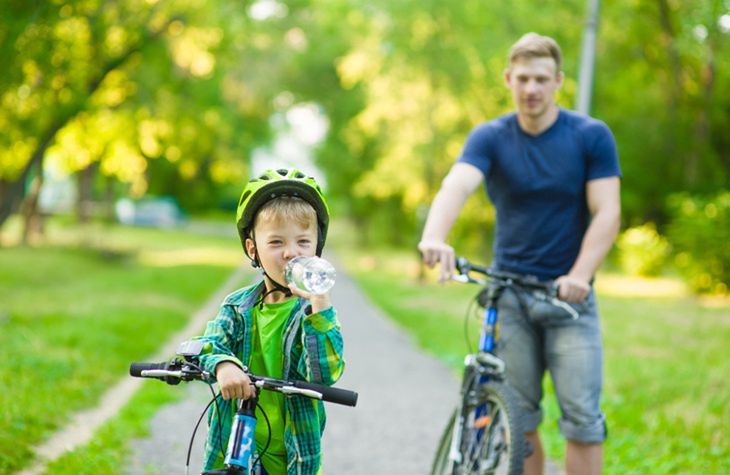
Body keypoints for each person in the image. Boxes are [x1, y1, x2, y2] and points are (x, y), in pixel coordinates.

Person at [418, 33, 621, 475]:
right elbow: (458, 184)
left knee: (582, 422)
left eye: (542, 79)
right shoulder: (490, 136)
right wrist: (435, 236)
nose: (532, 89)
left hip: (570, 300)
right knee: (518, 419)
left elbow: (607, 212)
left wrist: (581, 276)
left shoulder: (590, 137)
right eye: (524, 78)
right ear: (509, 79)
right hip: (509, 297)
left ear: (558, 82)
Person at [193, 168, 345, 474]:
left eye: (303, 242)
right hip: (234, 447)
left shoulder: (313, 314)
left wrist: (320, 303)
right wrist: (224, 365)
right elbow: (209, 343)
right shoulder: (238, 307)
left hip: (293, 454)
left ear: (317, 248)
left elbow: (325, 373)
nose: (291, 253)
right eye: (276, 243)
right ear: (254, 249)